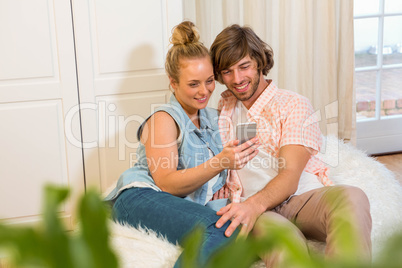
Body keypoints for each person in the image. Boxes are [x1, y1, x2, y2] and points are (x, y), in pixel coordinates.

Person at [209, 24, 372, 265]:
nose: (237, 79)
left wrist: (252, 206)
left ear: (258, 61)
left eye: (244, 67)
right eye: (227, 71)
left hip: (301, 199)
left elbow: (290, 173)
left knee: (352, 197)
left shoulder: (293, 105)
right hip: (263, 215)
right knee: (285, 242)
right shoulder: (224, 110)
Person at [104, 21, 259, 267]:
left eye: (209, 81)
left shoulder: (213, 117)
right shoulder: (164, 119)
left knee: (239, 235)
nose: (204, 91)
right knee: (221, 229)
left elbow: (214, 178)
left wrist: (219, 182)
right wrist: (219, 164)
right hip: (140, 197)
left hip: (176, 203)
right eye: (193, 84)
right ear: (173, 83)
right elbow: (166, 183)